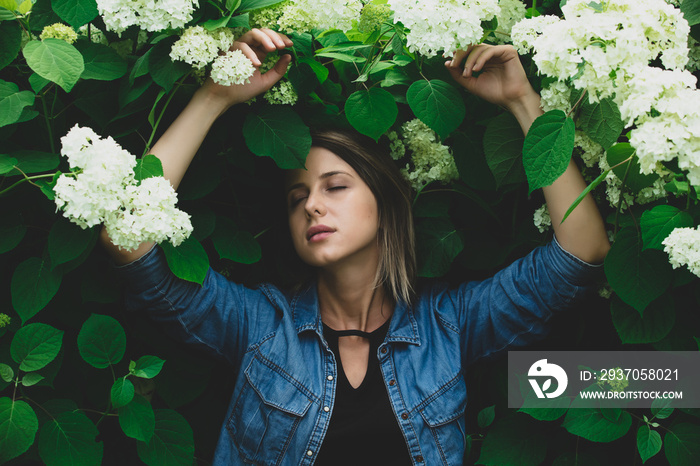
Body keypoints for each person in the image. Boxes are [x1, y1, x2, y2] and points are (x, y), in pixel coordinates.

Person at [102, 28, 610, 465]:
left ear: (385, 201)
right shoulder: (259, 327)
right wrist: (214, 96)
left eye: (335, 186)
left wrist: (524, 102)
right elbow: (126, 235)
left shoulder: (449, 325)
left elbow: (582, 250)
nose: (311, 207)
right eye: (297, 197)